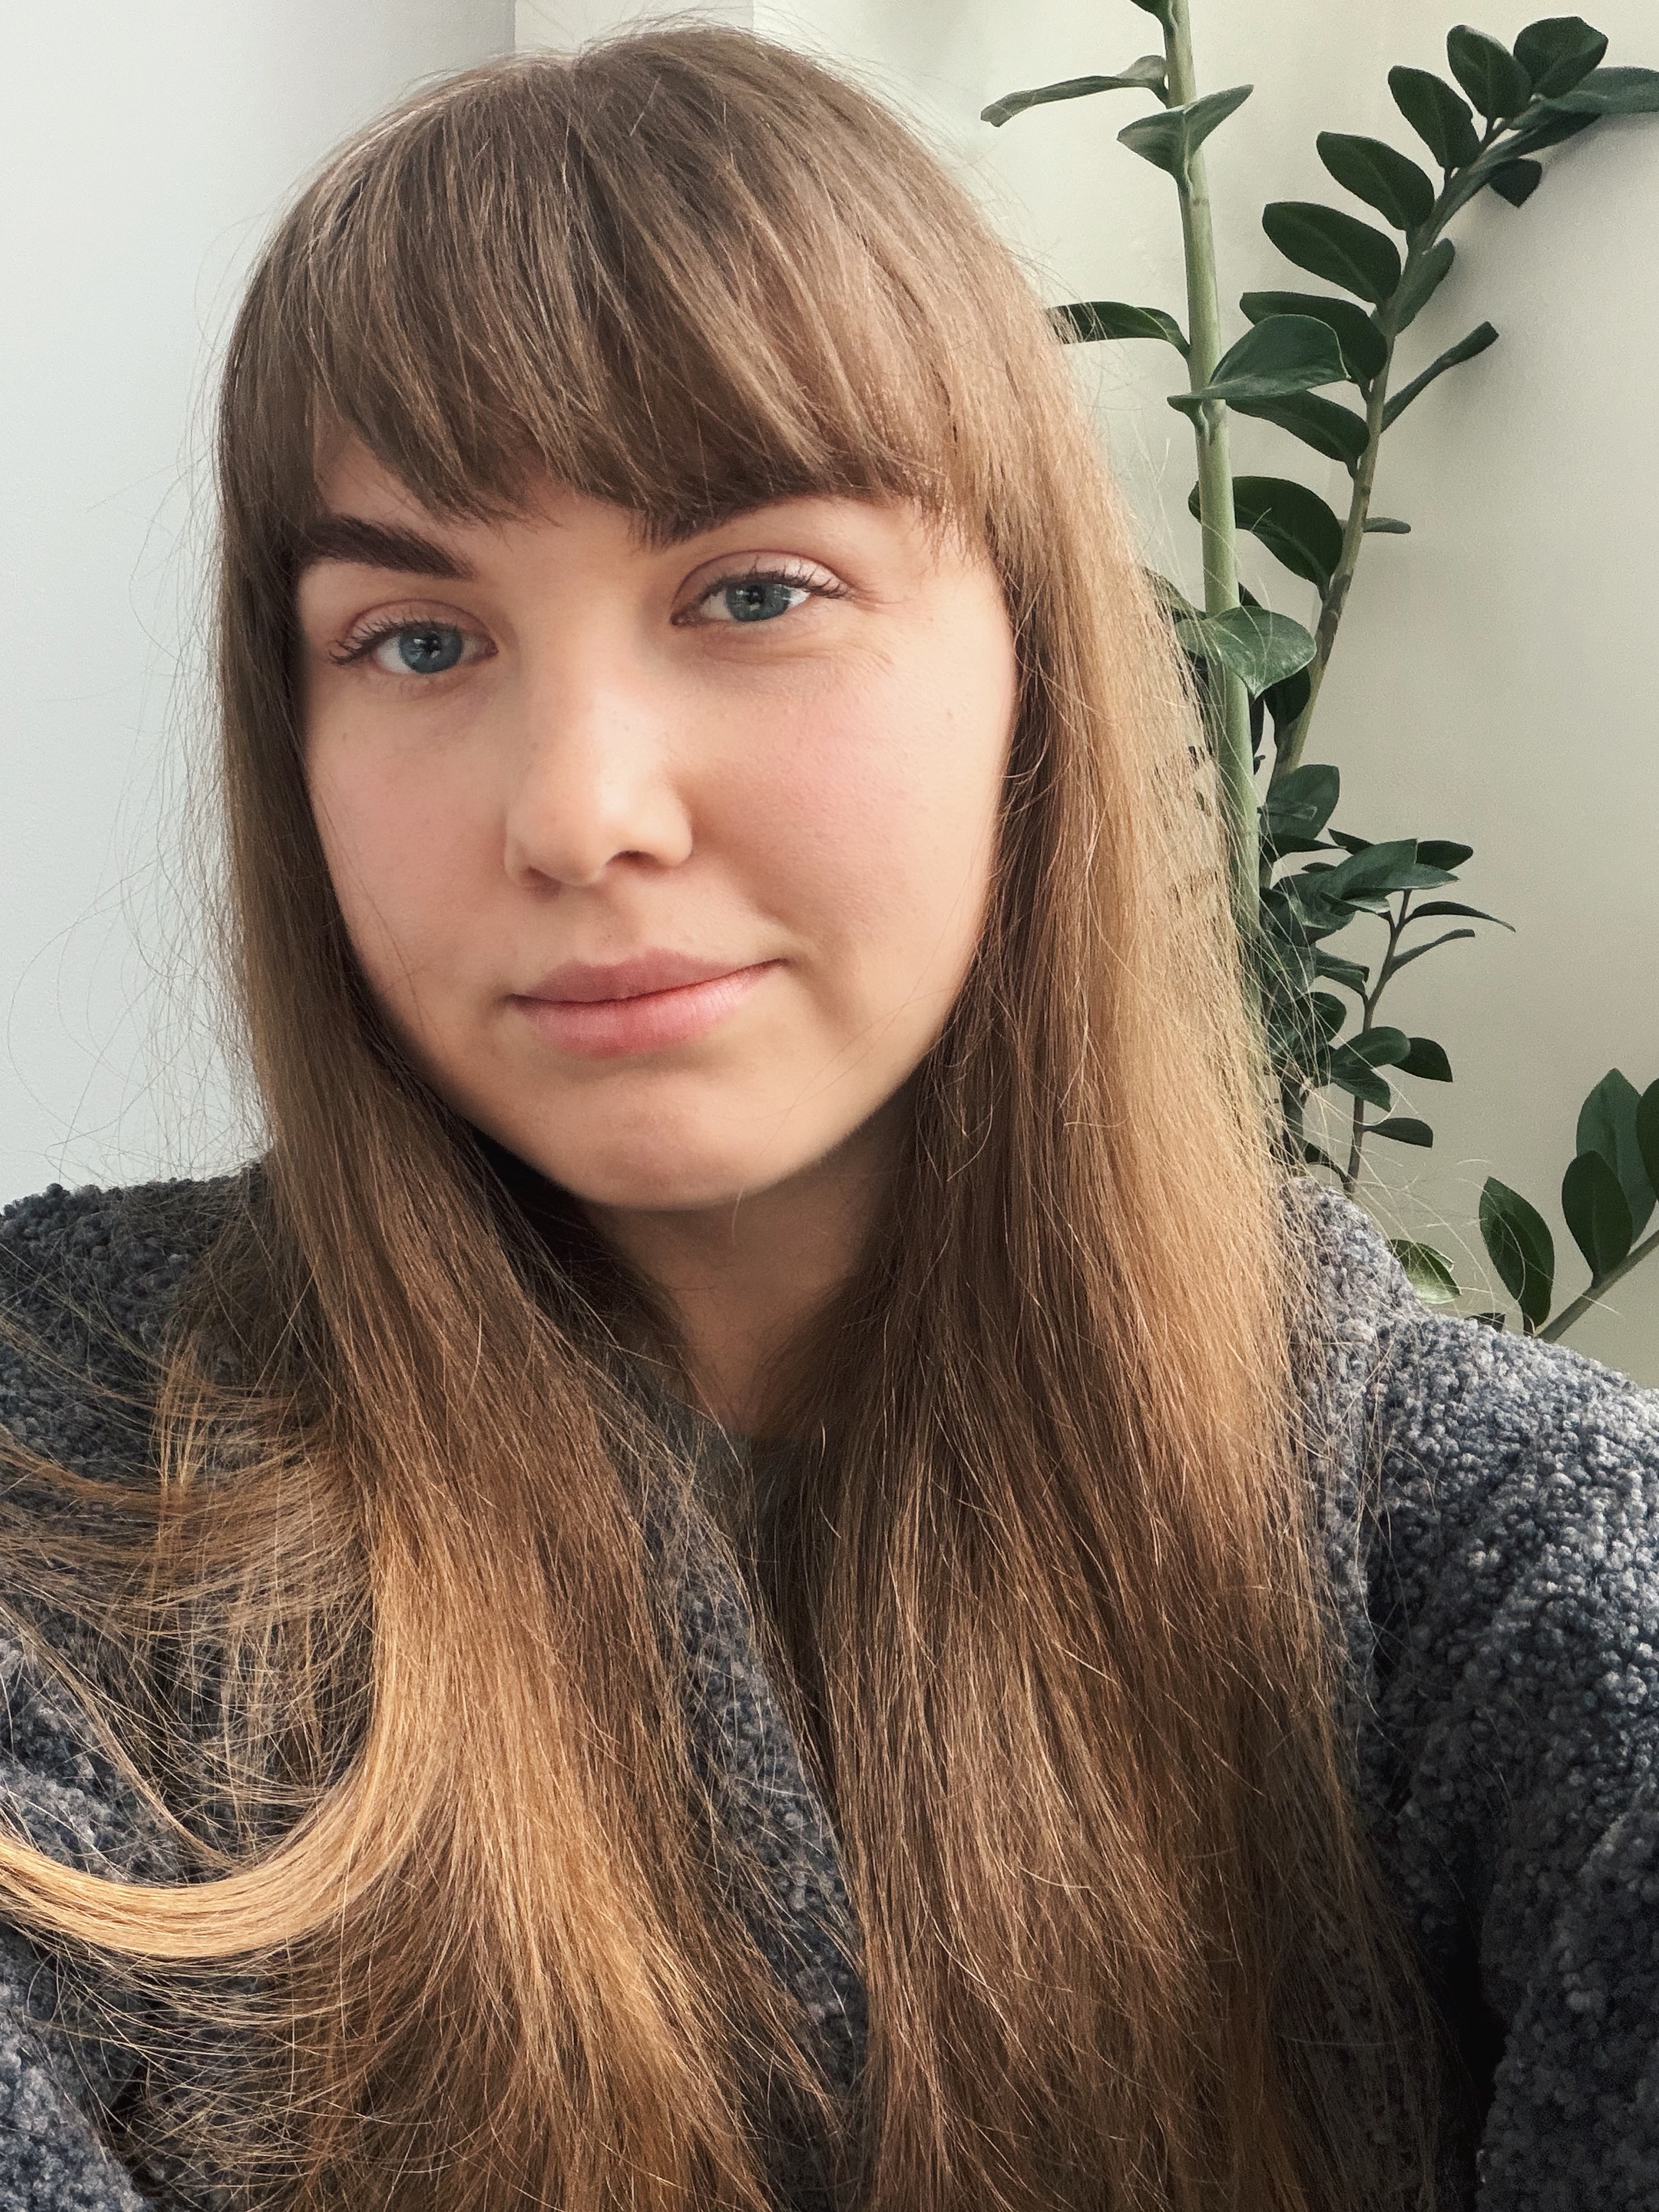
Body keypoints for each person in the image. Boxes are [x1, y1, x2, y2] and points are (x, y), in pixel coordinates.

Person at [0, 22, 1654, 2212]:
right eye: (414, 640)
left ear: (1032, 665)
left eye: (754, 593)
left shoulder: (1481, 1555)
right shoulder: (61, 1455)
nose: (579, 810)